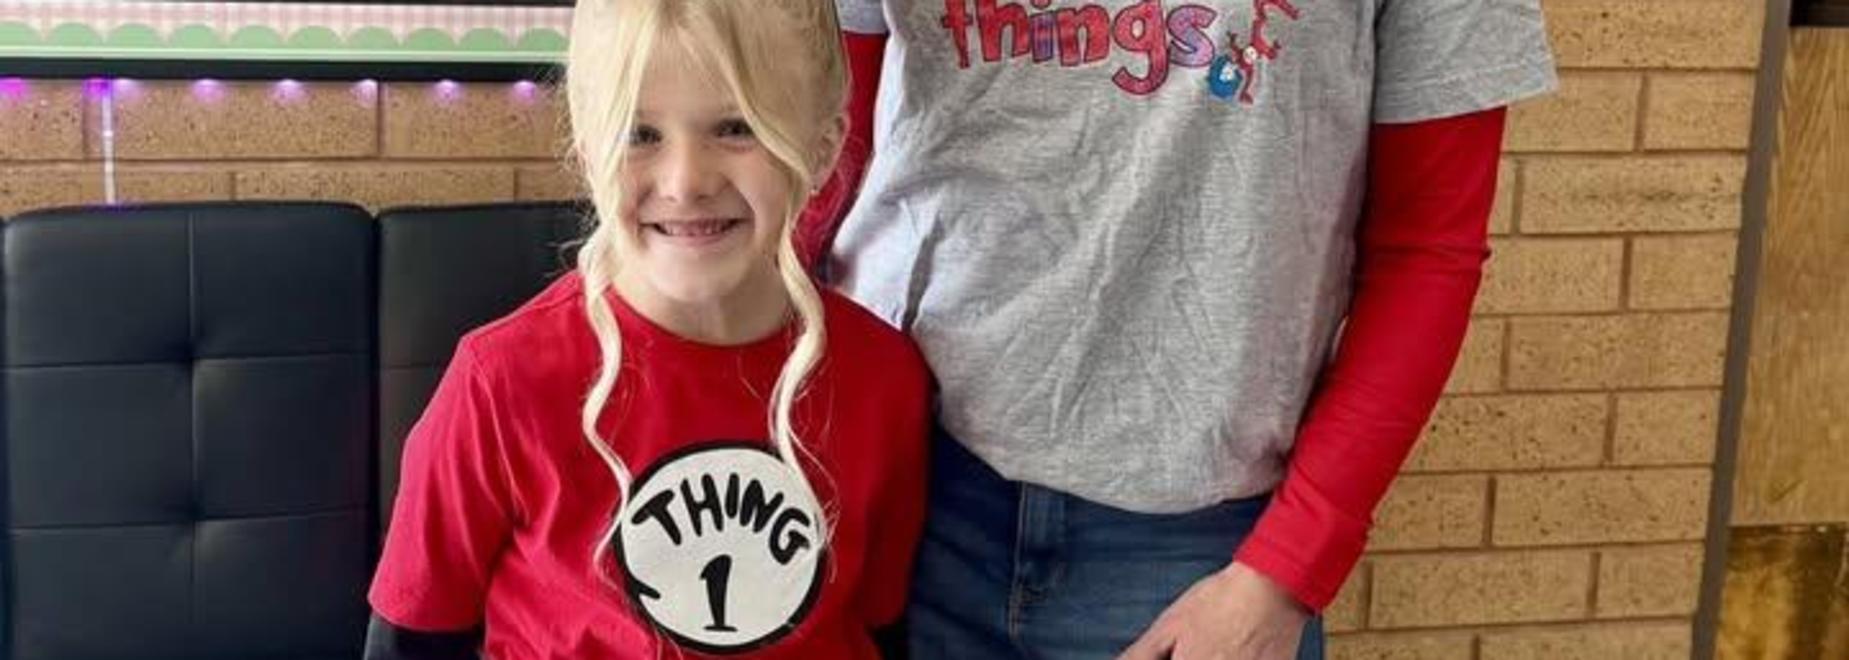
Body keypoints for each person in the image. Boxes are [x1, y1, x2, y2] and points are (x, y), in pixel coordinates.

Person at [801, 1, 1559, 658]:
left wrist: (1287, 569)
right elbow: (810, 150)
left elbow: (1425, 248)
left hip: (1195, 544)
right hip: (893, 479)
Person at [364, 1, 932, 657]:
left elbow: (881, 619)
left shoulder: (885, 377)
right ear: (586, 149)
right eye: (640, 135)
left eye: (735, 126)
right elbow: (413, 636)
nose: (686, 180)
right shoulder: (500, 380)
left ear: (823, 146)